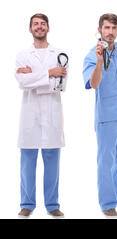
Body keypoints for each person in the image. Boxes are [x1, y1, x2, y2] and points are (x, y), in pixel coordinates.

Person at [15, 13, 67, 218]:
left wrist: (33, 76)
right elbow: (21, 83)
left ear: (48, 28)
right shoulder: (22, 55)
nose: (39, 27)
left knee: (52, 162)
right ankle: (27, 204)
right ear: (30, 29)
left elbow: (60, 86)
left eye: (42, 24)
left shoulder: (60, 53)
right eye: (35, 24)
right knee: (27, 162)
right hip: (30, 115)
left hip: (53, 114)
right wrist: (49, 73)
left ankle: (52, 204)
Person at [83, 13, 117, 217]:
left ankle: (112, 192)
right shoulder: (91, 55)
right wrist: (98, 61)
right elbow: (93, 84)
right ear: (99, 30)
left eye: (114, 28)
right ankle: (106, 203)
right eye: (107, 28)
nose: (110, 32)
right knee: (106, 160)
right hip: (106, 116)